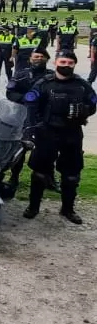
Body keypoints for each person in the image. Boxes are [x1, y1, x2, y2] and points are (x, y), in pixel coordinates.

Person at [24, 50, 97, 224]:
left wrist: (85, 111)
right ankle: (33, 207)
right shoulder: (44, 83)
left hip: (72, 134)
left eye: (70, 63)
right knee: (40, 173)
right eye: (63, 62)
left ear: (74, 64)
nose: (66, 66)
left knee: (71, 175)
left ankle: (67, 209)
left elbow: (93, 104)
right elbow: (31, 108)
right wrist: (29, 130)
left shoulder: (82, 85)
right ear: (56, 62)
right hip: (47, 132)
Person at [3, 48, 52, 198]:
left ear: (47, 59)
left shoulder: (51, 76)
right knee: (20, 150)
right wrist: (26, 99)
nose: (39, 59)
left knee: (47, 152)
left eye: (42, 57)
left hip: (44, 119)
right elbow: (9, 93)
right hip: (23, 118)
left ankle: (48, 178)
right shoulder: (20, 75)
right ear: (30, 59)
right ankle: (14, 177)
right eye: (36, 56)